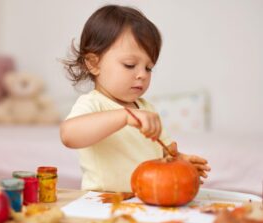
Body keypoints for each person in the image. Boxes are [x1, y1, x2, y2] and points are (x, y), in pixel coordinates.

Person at [60, 4, 210, 192]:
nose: (142, 74)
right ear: (93, 63)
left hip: (144, 199)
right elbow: (68, 135)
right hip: (103, 202)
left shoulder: (146, 108)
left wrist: (179, 160)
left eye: (148, 68)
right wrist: (124, 116)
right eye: (130, 65)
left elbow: (161, 151)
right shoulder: (93, 103)